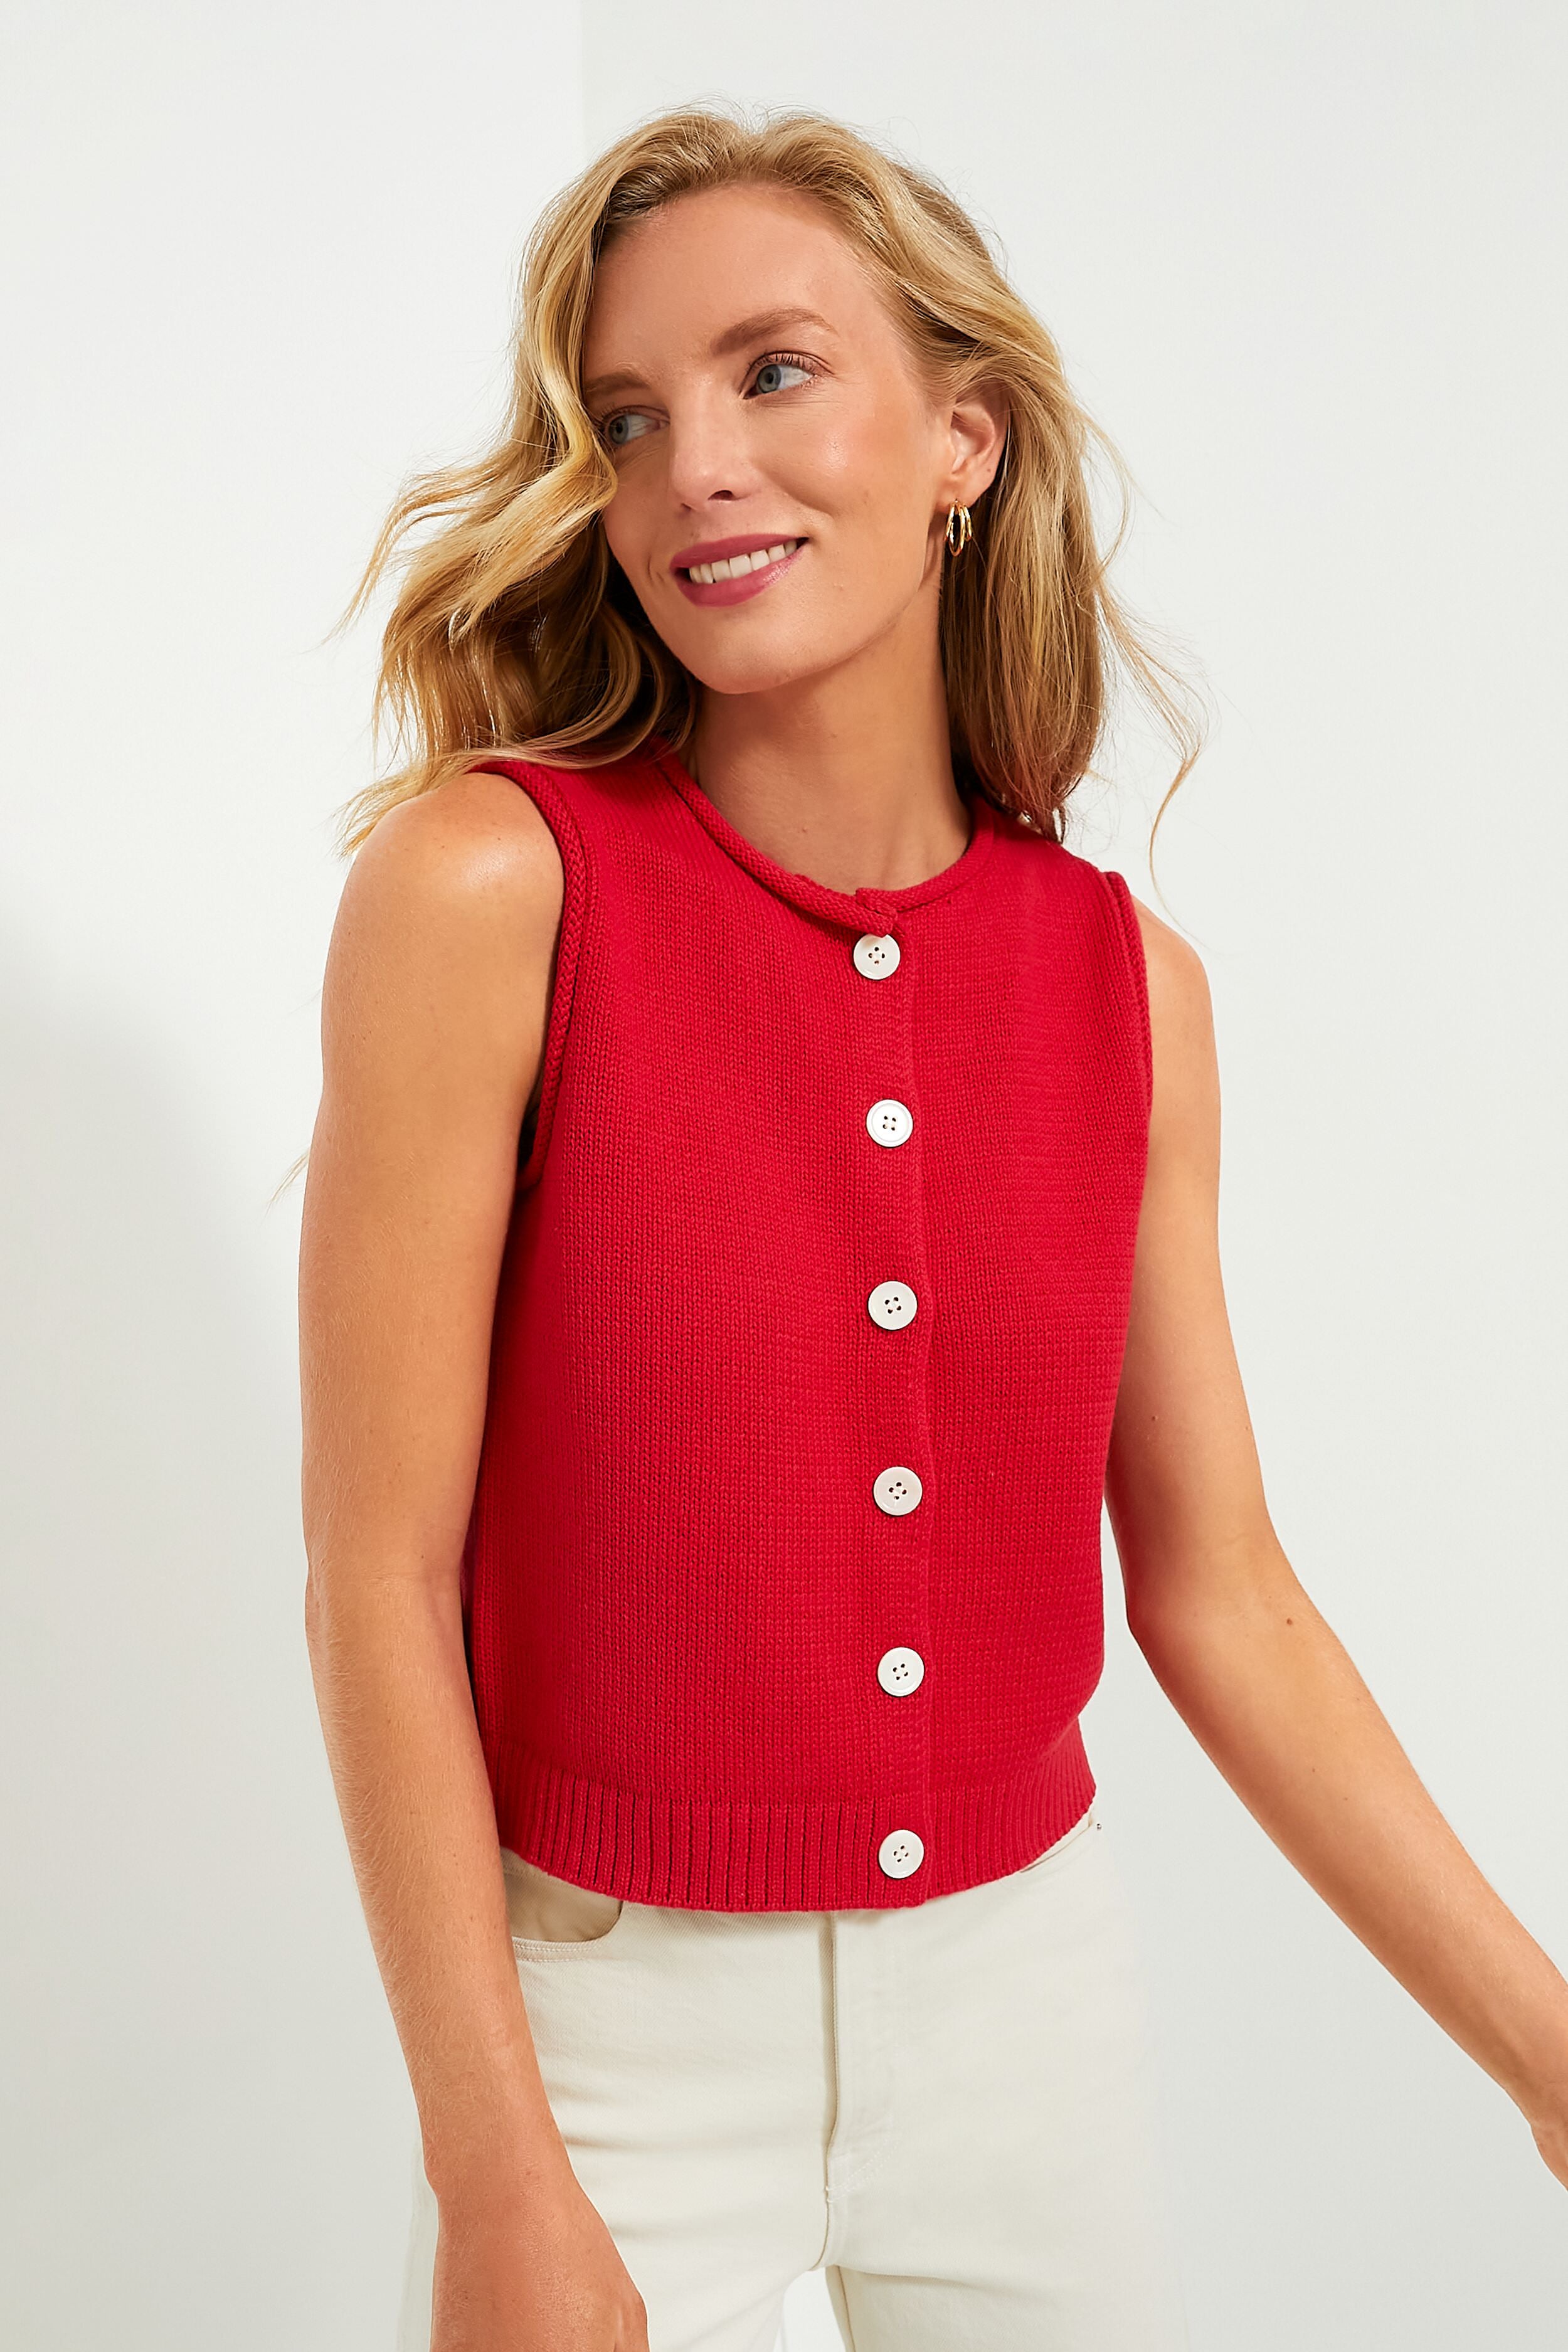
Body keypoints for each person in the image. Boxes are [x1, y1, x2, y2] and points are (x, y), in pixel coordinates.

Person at [296, 103, 1568, 2352]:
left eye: (772, 372)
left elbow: (1221, 1591)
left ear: (961, 440)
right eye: (626, 417)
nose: (694, 466)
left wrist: (1547, 2058)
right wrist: (494, 2175)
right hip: (602, 2033)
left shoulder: (1121, 988)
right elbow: (374, 1578)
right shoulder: (493, 891)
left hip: (1020, 2011)